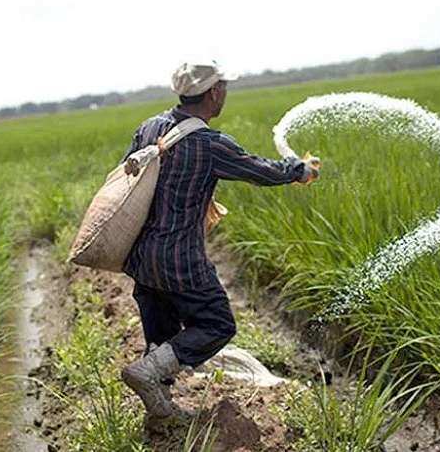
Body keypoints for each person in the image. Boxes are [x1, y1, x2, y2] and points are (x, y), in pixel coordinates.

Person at [119, 61, 320, 421]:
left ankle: (158, 412)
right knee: (217, 324)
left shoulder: (149, 128)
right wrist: (300, 170)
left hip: (141, 256)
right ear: (214, 93)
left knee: (163, 334)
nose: (224, 92)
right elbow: (260, 170)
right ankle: (148, 374)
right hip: (180, 259)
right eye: (223, 87)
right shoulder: (208, 143)